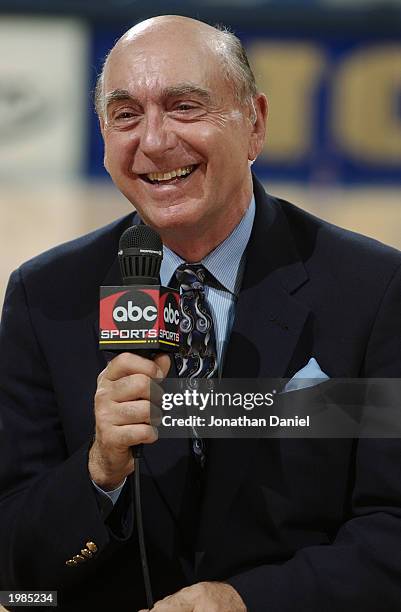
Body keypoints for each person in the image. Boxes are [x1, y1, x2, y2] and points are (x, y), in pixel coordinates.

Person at [1, 14, 401, 612]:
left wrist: (245, 602)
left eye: (185, 107)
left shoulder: (372, 290)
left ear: (256, 124)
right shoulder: (45, 297)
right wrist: (98, 473)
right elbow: (17, 566)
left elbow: (392, 532)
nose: (154, 141)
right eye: (126, 115)